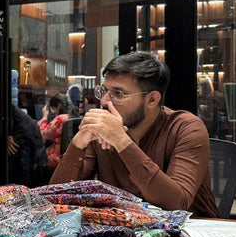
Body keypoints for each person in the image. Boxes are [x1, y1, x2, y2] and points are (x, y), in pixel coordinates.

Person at [50, 52, 219, 217]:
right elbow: (54, 199)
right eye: (104, 91)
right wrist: (78, 143)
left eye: (118, 94)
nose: (104, 101)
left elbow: (176, 204)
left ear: (152, 99)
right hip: (124, 230)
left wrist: (121, 141)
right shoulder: (101, 132)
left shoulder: (186, 128)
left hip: (191, 231)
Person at [0, 91, 49, 187]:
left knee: (23, 169)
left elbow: (6, 111)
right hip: (25, 132)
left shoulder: (0, 107)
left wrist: (8, 133)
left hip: (24, 133)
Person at [39, 93, 72, 167]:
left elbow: (42, 134)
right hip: (70, 155)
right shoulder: (72, 116)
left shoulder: (60, 119)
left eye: (53, 108)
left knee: (36, 156)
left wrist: (44, 117)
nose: (53, 111)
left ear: (58, 106)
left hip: (57, 157)